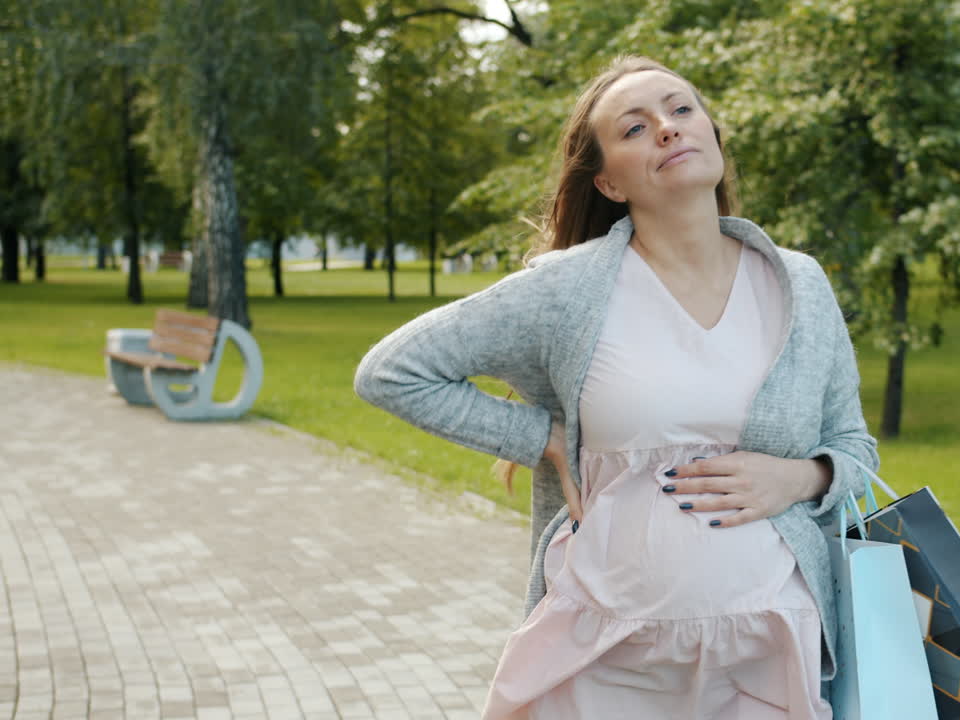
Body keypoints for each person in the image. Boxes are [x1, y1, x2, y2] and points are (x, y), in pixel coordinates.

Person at [354, 55, 879, 720]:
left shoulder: (797, 283)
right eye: (634, 128)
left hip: (766, 655)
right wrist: (542, 437)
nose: (667, 128)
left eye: (681, 109)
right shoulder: (567, 290)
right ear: (606, 182)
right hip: (602, 657)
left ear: (713, 135)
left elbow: (855, 447)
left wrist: (800, 478)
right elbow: (392, 372)